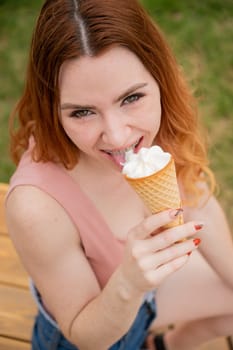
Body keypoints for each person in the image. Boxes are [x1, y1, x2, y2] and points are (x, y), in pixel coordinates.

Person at [5, 0, 233, 349]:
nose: (117, 136)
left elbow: (197, 200)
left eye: (130, 98)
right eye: (82, 112)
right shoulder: (35, 204)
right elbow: (84, 334)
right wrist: (129, 282)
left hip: (148, 296)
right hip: (96, 330)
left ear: (159, 78)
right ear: (53, 109)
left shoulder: (159, 124)